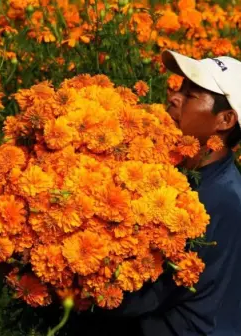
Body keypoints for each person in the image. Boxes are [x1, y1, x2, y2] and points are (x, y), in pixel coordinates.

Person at [68, 50, 241, 336]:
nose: (174, 97)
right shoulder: (180, 172)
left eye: (191, 95)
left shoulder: (219, 201)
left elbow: (142, 297)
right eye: (180, 89)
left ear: (225, 120)